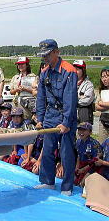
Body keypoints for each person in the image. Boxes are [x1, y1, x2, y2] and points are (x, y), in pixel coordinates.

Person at [35, 39, 78, 196]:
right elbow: (41, 97)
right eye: (43, 55)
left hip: (65, 115)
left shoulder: (68, 71)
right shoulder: (45, 72)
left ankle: (67, 186)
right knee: (47, 150)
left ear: (56, 52)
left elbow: (71, 99)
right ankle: (47, 181)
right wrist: (40, 118)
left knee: (66, 153)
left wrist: (66, 122)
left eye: (47, 55)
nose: (45, 58)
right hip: (50, 115)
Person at [74, 122, 102, 186]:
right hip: (82, 165)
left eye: (84, 130)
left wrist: (83, 170)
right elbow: (78, 155)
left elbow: (95, 161)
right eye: (79, 130)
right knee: (71, 179)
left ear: (90, 132)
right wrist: (77, 167)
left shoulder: (94, 144)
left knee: (83, 183)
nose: (81, 132)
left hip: (92, 167)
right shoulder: (78, 142)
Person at [73, 60, 95, 124]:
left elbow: (87, 101)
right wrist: (80, 97)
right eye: (74, 69)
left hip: (84, 115)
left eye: (77, 69)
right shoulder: (69, 83)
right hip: (72, 115)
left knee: (84, 132)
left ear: (83, 70)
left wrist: (73, 100)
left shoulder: (89, 84)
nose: (75, 71)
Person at [95, 67, 109, 143]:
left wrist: (101, 103)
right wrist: (105, 106)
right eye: (102, 77)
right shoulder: (101, 90)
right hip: (103, 122)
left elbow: (99, 103)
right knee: (102, 145)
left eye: (106, 77)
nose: (104, 79)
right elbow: (96, 106)